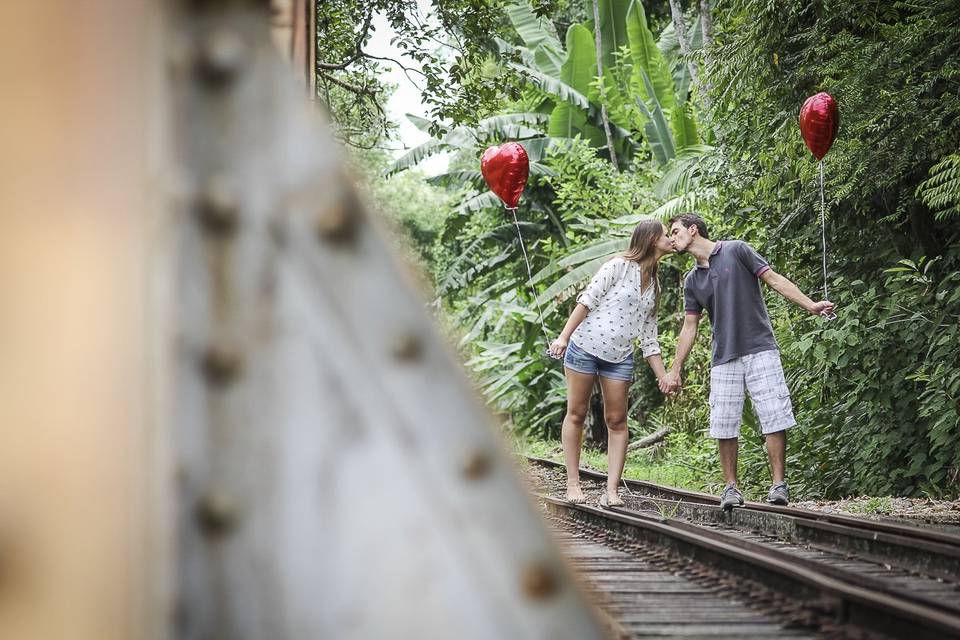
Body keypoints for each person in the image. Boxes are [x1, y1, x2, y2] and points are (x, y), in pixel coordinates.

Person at [661, 213, 835, 509]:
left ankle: (779, 486)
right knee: (724, 422)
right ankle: (731, 488)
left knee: (774, 414)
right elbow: (689, 326)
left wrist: (811, 305)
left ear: (694, 230)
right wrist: (675, 369)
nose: (672, 237)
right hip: (724, 357)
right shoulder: (692, 281)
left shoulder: (736, 249)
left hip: (760, 348)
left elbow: (774, 279)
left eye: (675, 231)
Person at [549, 220, 678, 508]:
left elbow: (649, 339)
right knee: (577, 414)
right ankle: (573, 483)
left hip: (619, 358)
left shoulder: (655, 286)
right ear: (651, 238)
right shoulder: (617, 266)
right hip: (585, 348)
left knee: (618, 421)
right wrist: (563, 338)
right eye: (665, 234)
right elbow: (586, 301)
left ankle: (612, 491)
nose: (670, 239)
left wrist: (663, 378)